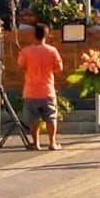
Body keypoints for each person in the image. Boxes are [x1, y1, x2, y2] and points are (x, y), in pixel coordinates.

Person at [18, 22, 64, 150]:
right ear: (47, 35)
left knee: (33, 119)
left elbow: (21, 66)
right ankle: (52, 142)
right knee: (51, 117)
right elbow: (59, 68)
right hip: (47, 90)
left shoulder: (26, 51)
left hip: (31, 90)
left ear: (34, 35)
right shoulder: (52, 51)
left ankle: (36, 143)